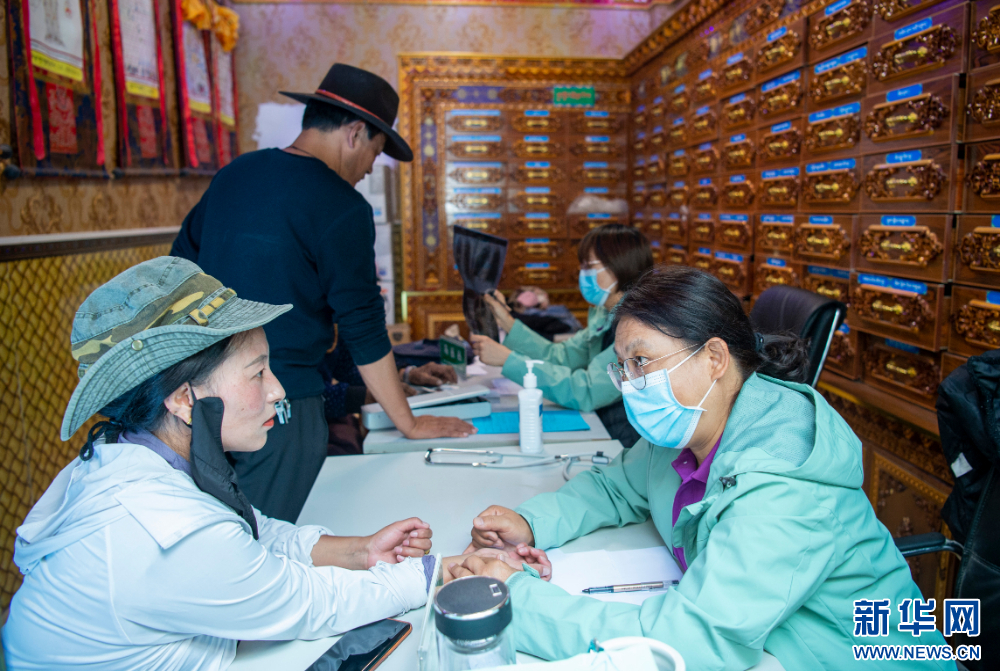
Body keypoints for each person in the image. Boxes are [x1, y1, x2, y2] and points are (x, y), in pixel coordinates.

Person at [449, 266, 955, 670]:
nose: (630, 384)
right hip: (766, 640)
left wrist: (515, 598)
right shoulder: (687, 425)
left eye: (642, 362)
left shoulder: (782, 483)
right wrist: (531, 522)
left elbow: (687, 644)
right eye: (622, 367)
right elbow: (616, 487)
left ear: (714, 357)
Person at [2, 257, 440, 670]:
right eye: (257, 373)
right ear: (183, 399)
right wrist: (433, 575)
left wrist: (361, 551)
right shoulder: (161, 526)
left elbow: (253, 533)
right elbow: (302, 602)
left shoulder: (142, 453)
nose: (277, 391)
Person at [171, 63, 474, 522]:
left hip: (204, 399)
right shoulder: (341, 205)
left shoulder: (235, 173)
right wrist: (408, 422)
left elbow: (179, 270)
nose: (369, 168)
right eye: (375, 152)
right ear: (354, 133)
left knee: (218, 529)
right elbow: (363, 325)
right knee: (272, 536)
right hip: (281, 402)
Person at [470, 224, 653, 446]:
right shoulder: (606, 314)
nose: (582, 273)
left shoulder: (636, 326)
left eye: (589, 266)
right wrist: (507, 322)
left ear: (619, 265)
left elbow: (587, 390)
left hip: (624, 440)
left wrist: (508, 360)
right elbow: (561, 355)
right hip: (602, 426)